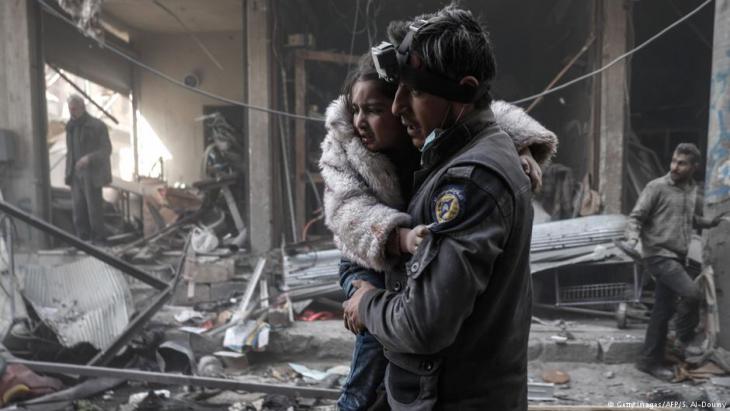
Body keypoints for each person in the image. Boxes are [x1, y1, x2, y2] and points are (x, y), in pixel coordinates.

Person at [321, 51, 556, 410]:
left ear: (401, 104)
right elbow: (346, 210)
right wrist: (395, 237)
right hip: (368, 255)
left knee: (398, 356)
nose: (360, 122)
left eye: (373, 110)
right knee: (368, 363)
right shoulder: (343, 144)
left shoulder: (432, 132)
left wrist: (519, 146)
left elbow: (487, 112)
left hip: (415, 261)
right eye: (355, 109)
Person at [624, 143, 726, 381]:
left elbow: (690, 219)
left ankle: (648, 361)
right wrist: (632, 239)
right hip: (658, 254)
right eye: (673, 161)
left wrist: (709, 223)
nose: (675, 167)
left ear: (694, 167)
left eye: (682, 163)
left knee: (662, 311)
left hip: (676, 255)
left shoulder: (691, 191)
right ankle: (684, 340)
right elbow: (637, 216)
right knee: (692, 293)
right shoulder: (656, 187)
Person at [64, 94, 112, 244]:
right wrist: (69, 172)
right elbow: (70, 152)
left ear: (82, 107)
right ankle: (83, 240)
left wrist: (89, 158)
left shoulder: (97, 126)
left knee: (94, 210)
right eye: (70, 109)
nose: (72, 112)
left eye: (74, 109)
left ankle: (99, 241)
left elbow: (106, 150)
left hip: (92, 174)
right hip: (76, 174)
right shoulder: (70, 127)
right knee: (78, 209)